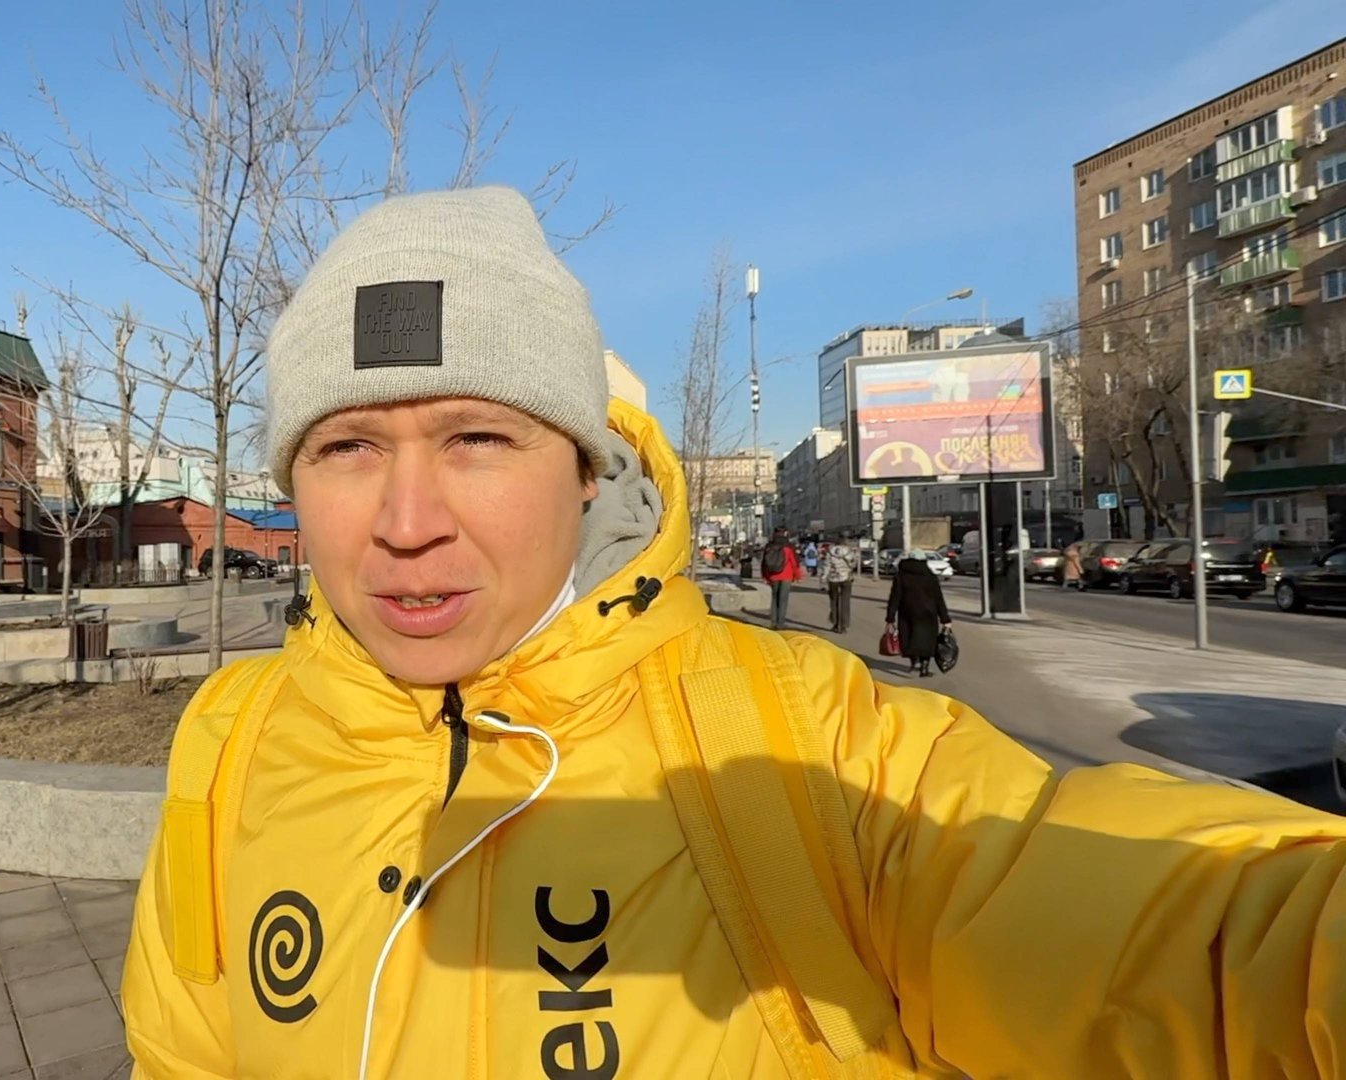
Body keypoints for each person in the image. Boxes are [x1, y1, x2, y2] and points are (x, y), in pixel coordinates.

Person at [122, 187, 1346, 1079]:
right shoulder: (234, 742)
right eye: (347, 448)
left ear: (587, 471)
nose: (405, 523)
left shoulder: (799, 744)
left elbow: (1182, 938)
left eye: (476, 439)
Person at [886, 553, 951, 677]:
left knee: (909, 638)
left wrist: (890, 617)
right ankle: (924, 667)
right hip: (928, 614)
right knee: (927, 640)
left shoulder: (901, 576)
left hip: (907, 613)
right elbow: (939, 599)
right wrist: (945, 619)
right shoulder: (930, 576)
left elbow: (895, 598)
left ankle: (913, 660)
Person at [759, 525, 801, 629]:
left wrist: (765, 576)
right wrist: (797, 575)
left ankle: (773, 622)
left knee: (774, 598)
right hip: (786, 576)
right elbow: (794, 563)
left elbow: (764, 563)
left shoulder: (769, 546)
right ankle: (780, 623)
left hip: (773, 575)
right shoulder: (788, 547)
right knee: (783, 599)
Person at [820, 535, 858, 632]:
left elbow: (826, 566)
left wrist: (823, 579)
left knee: (834, 601)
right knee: (845, 601)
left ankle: (835, 623)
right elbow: (853, 564)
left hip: (833, 579)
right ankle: (844, 624)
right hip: (846, 579)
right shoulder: (849, 551)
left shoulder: (830, 551)